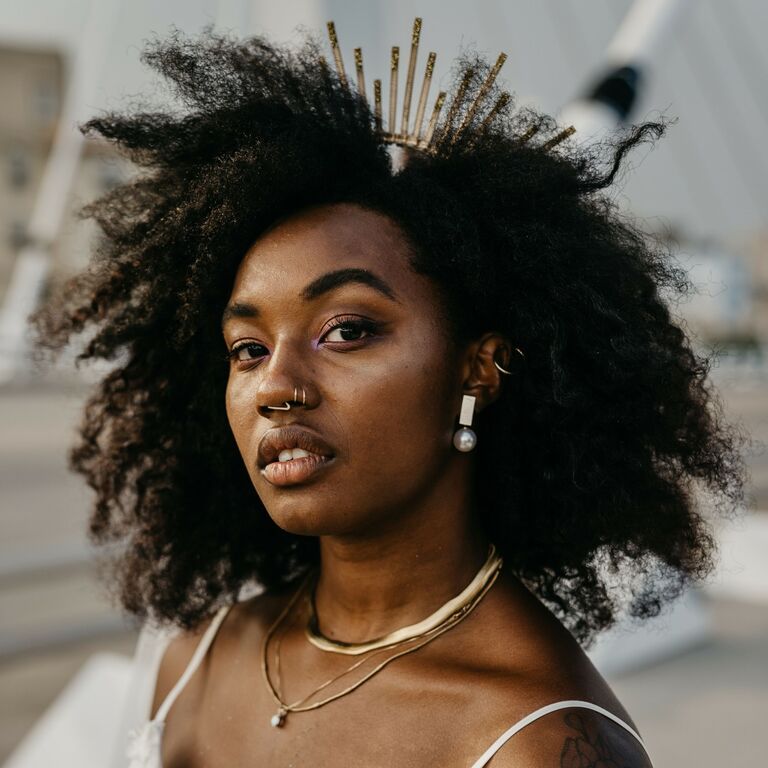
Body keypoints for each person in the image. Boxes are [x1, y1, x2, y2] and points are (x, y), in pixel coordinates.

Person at [32, 18, 747, 768]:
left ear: (479, 369)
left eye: (345, 330)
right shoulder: (191, 660)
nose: (276, 386)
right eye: (247, 348)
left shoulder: (537, 741)